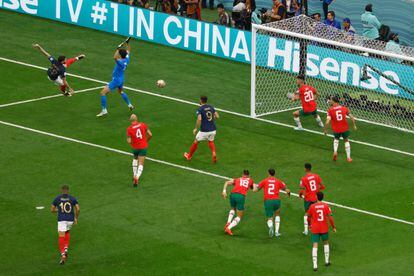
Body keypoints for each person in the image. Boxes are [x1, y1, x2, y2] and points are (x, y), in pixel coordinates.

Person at [96, 40, 134, 117]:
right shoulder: (127, 59)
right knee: (120, 92)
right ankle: (130, 105)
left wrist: (117, 49)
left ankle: (104, 110)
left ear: (120, 55)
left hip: (116, 81)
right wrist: (127, 43)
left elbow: (114, 57)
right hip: (121, 79)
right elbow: (128, 50)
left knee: (102, 93)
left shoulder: (120, 62)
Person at [255, 168, 290, 237]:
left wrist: (253, 187)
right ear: (274, 173)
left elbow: (256, 189)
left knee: (270, 218)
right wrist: (288, 194)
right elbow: (287, 190)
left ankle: (271, 226)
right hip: (276, 200)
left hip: (268, 201)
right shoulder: (278, 181)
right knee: (277, 215)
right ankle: (277, 232)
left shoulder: (265, 181)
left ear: (268, 173)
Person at [184, 96, 219, 163]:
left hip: (204, 130)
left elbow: (199, 119)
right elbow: (217, 116)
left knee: (196, 141)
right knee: (211, 141)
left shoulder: (200, 109)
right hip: (213, 129)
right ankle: (214, 153)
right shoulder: (211, 107)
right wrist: (211, 119)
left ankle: (189, 156)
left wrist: (196, 128)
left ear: (201, 100)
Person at [307, 192, 336, 271]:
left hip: (315, 228)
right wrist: (333, 227)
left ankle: (315, 265)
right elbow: (330, 218)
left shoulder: (312, 206)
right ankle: (326, 261)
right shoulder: (326, 206)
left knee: (315, 245)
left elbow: (308, 218)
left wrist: (309, 225)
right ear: (322, 197)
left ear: (316, 197)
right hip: (324, 228)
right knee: (326, 243)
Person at [51, 185, 80, 265]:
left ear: (61, 190)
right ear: (68, 190)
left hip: (61, 220)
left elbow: (52, 210)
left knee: (61, 236)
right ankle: (66, 248)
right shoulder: (73, 198)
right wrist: (76, 218)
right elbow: (78, 209)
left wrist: (58, 210)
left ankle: (63, 255)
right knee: (67, 231)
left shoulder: (57, 198)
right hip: (70, 220)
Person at [323, 96, 357, 162]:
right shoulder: (344, 108)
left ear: (333, 101)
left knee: (336, 139)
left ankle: (335, 152)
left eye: (331, 100)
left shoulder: (330, 110)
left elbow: (327, 121)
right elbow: (352, 117)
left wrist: (325, 129)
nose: (330, 101)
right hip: (344, 128)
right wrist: (354, 125)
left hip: (336, 129)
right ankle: (348, 157)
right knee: (346, 140)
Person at [222, 170, 255, 236]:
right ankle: (228, 228)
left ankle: (228, 222)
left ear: (242, 174)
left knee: (233, 208)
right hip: (240, 196)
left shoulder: (238, 179)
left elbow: (227, 182)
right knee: (239, 216)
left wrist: (224, 191)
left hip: (233, 195)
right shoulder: (250, 180)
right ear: (249, 175)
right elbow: (253, 189)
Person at [299, 163, 325, 235]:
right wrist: (317, 189)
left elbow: (301, 190)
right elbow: (323, 186)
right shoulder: (317, 176)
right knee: (316, 213)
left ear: (305, 169)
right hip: (315, 198)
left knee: (307, 214)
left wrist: (300, 195)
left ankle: (306, 230)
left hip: (308, 198)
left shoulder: (303, 179)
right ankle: (316, 227)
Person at [127, 114, 152, 187]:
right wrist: (146, 141)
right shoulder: (143, 125)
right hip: (143, 147)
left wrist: (132, 141)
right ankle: (137, 177)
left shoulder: (129, 129)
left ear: (130, 120)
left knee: (135, 159)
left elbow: (129, 141)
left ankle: (134, 175)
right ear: (137, 119)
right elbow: (150, 134)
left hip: (135, 148)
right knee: (141, 163)